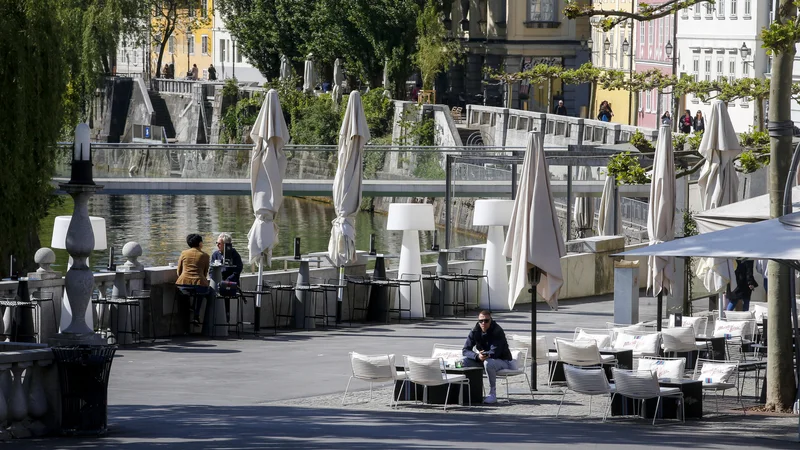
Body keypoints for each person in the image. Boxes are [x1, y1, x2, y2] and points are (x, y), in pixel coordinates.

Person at [461, 310, 515, 404]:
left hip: (503, 361)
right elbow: (465, 350)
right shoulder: (475, 330)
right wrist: (477, 356)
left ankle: (492, 393)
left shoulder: (497, 331)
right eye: (481, 321)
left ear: (491, 320)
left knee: (488, 363)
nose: (483, 323)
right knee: (463, 362)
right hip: (483, 358)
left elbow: (495, 352)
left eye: (486, 321)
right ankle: (470, 392)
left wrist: (484, 355)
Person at [176, 233, 213, 325]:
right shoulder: (205, 256)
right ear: (200, 243)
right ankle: (196, 314)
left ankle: (187, 314)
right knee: (203, 291)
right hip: (199, 284)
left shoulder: (184, 253)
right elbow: (205, 273)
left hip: (182, 284)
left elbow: (179, 271)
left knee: (186, 295)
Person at [211, 233, 243, 322]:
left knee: (225, 290)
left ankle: (226, 315)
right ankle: (216, 318)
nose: (217, 245)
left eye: (219, 243)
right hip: (218, 281)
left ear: (226, 245)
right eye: (216, 243)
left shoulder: (234, 254)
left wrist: (228, 280)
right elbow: (211, 269)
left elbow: (238, 270)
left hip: (231, 283)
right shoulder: (215, 254)